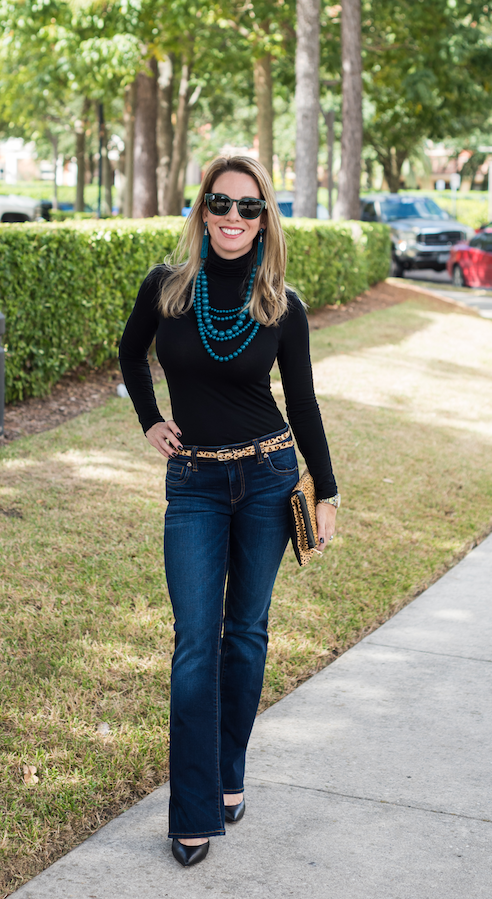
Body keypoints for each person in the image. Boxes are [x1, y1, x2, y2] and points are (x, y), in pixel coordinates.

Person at [118, 156, 339, 867]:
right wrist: (150, 418)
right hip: (194, 485)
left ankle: (229, 770)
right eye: (222, 203)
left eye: (249, 208)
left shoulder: (282, 303)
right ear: (202, 207)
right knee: (194, 641)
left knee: (244, 632)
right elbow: (129, 353)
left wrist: (326, 489)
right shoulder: (168, 286)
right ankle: (193, 809)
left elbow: (300, 402)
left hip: (270, 477)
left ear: (265, 218)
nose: (233, 219)